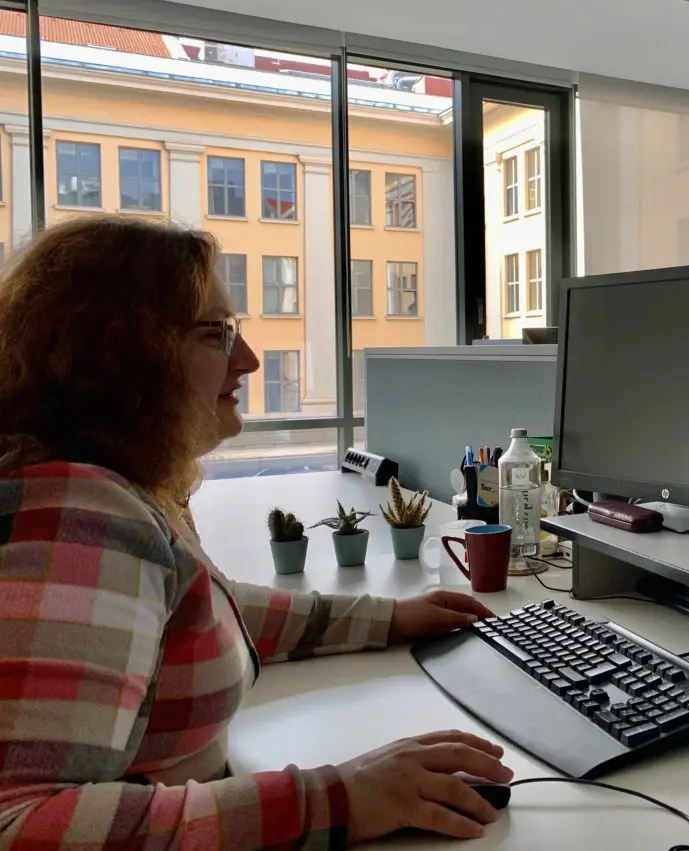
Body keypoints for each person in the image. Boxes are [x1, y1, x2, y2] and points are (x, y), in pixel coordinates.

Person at [0, 216, 512, 849]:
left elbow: (205, 613)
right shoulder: (75, 518)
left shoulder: (114, 494)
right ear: (121, 353)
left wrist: (387, 619)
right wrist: (340, 798)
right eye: (216, 334)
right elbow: (21, 826)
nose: (247, 359)